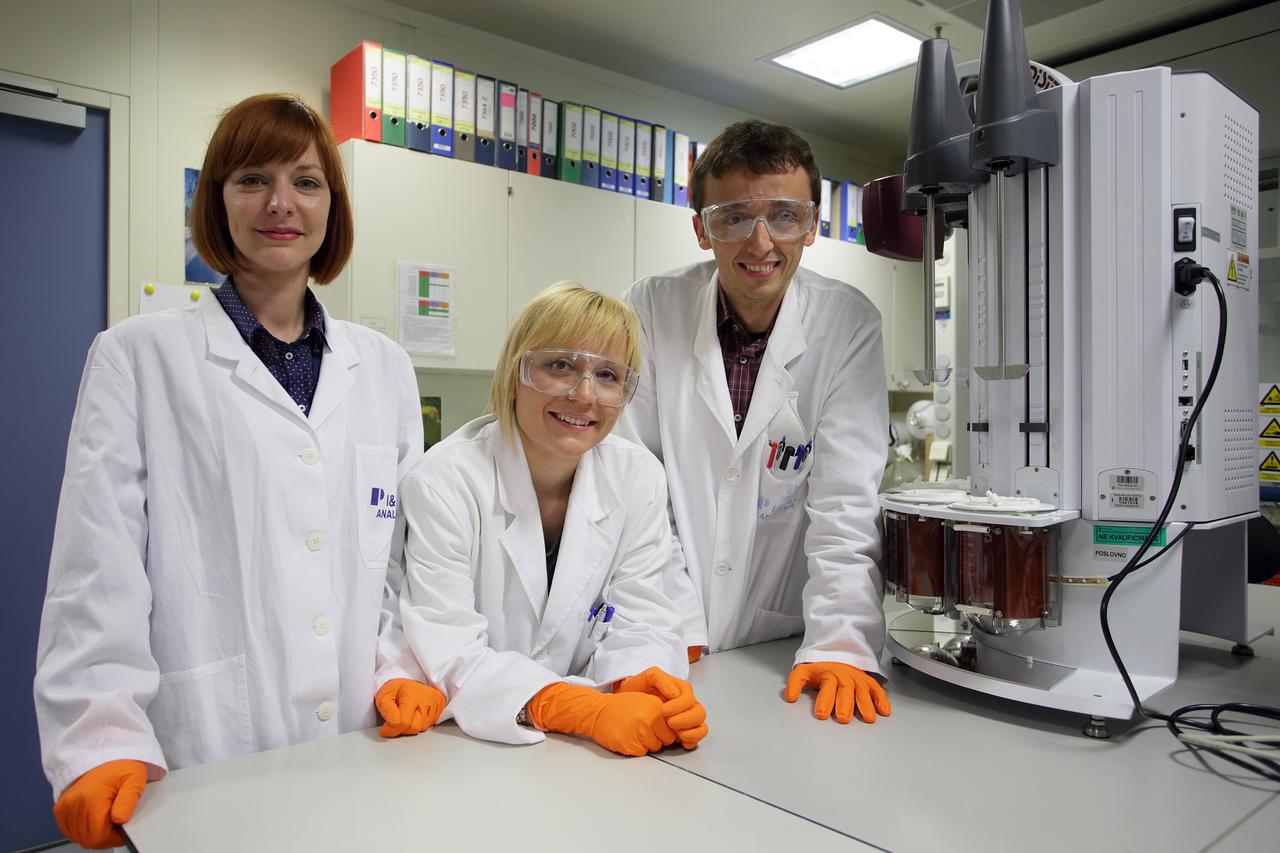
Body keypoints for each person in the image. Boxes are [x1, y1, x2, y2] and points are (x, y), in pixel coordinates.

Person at [33, 93, 443, 849]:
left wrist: (401, 662)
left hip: (365, 740)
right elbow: (98, 565)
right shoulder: (137, 356)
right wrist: (98, 733)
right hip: (209, 750)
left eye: (307, 181)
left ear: (333, 206)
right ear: (216, 200)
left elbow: (401, 555)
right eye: (252, 179)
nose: (281, 203)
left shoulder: (383, 365)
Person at [620, 119, 893, 726]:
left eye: (785, 216)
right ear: (701, 228)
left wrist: (841, 639)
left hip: (782, 648)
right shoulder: (651, 306)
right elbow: (634, 483)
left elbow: (845, 503)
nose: (761, 242)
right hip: (665, 632)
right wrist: (667, 617)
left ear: (813, 224)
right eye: (735, 216)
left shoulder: (847, 323)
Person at [398, 283, 708, 755]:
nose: (585, 395)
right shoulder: (446, 479)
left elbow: (643, 612)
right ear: (514, 373)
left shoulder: (638, 475)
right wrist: (576, 709)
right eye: (559, 365)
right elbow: (446, 645)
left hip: (567, 762)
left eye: (608, 375)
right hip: (459, 748)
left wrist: (642, 681)